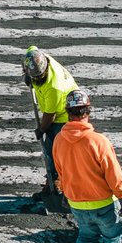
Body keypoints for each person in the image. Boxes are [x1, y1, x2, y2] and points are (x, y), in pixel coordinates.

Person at [52, 89, 122, 243]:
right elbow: (114, 174)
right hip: (103, 203)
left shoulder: (59, 140)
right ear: (88, 111)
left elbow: (60, 172)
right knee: (112, 240)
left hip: (77, 204)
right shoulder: (98, 141)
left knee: (86, 237)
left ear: (67, 113)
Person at [23, 45, 78, 198]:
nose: (36, 80)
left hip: (64, 116)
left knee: (55, 151)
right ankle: (52, 181)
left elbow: (50, 116)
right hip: (54, 109)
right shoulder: (35, 55)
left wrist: (41, 129)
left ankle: (59, 184)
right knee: (51, 151)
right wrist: (28, 76)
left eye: (38, 77)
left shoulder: (54, 86)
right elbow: (31, 48)